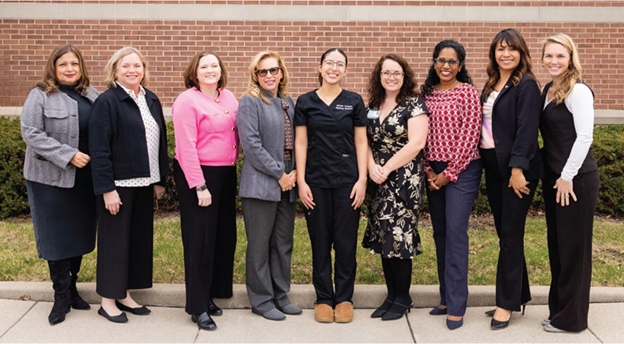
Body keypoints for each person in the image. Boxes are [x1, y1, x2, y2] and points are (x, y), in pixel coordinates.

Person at [89, 47, 169, 323]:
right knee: (115, 243)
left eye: (137, 65)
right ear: (115, 71)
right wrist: (107, 189)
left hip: (145, 184)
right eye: (126, 66)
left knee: (136, 241)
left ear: (144, 70)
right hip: (118, 185)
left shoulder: (151, 99)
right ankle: (107, 300)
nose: (132, 70)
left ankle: (124, 294)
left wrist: (159, 180)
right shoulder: (107, 101)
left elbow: (161, 140)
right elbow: (99, 149)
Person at [21, 44, 99, 325]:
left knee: (78, 235)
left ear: (81, 67)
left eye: (74, 64)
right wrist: (67, 155)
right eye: (63, 64)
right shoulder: (40, 95)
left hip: (85, 180)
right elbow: (30, 132)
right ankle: (61, 295)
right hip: (49, 180)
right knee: (56, 237)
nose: (69, 69)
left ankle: (73, 288)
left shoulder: (91, 95)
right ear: (53, 67)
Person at [294, 48, 368, 323]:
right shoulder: (305, 102)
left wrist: (362, 180)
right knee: (320, 242)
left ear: (346, 71)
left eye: (340, 64)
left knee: (346, 244)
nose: (334, 68)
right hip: (316, 183)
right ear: (320, 67)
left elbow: (361, 142)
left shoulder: (354, 101)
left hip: (348, 182)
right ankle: (324, 298)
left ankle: (345, 298)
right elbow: (301, 143)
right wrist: (301, 181)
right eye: (329, 63)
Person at [479, 29, 543, 330]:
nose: (506, 54)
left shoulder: (527, 84)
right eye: (500, 49)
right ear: (494, 53)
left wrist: (517, 170)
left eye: (512, 49)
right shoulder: (492, 83)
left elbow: (527, 130)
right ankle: (517, 293)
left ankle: (505, 304)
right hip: (494, 167)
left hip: (517, 170)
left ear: (521, 53)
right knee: (506, 234)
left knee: (510, 236)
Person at [171, 51, 238, 331]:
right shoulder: (187, 101)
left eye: (214, 66)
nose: (210, 70)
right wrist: (199, 185)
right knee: (200, 240)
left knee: (222, 237)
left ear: (221, 71)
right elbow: (186, 147)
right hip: (199, 174)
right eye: (204, 66)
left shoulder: (229, 97)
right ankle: (197, 307)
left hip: (226, 172)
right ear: (195, 73)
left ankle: (209, 295)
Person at [421, 40, 482, 330]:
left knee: (456, 233)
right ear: (434, 62)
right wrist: (429, 171)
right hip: (433, 169)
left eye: (453, 61)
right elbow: (419, 135)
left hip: (463, 168)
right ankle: (445, 297)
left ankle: (457, 304)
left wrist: (449, 173)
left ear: (461, 65)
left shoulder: (467, 93)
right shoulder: (426, 94)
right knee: (441, 233)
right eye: (441, 60)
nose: (446, 66)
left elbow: (470, 137)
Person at [362, 54, 429, 321]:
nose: (391, 77)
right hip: (378, 178)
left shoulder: (414, 104)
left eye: (397, 73)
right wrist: (370, 167)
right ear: (379, 76)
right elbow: (364, 140)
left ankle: (403, 297)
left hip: (403, 179)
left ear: (405, 76)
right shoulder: (374, 104)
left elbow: (416, 143)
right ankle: (391, 295)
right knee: (383, 235)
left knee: (399, 236)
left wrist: (386, 168)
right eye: (386, 72)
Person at [540, 33, 599, 333]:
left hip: (576, 181)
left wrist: (567, 176)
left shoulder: (578, 91)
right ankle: (559, 310)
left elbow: (584, 137)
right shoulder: (547, 89)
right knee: (559, 248)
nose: (554, 61)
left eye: (560, 56)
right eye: (549, 56)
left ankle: (572, 320)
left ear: (571, 58)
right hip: (556, 181)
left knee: (575, 251)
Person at [237, 51, 302, 321]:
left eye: (273, 70)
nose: (269, 76)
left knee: (283, 243)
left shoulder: (288, 101)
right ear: (255, 75)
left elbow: (297, 140)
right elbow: (251, 146)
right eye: (263, 72)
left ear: (281, 72)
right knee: (260, 245)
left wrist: (297, 170)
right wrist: (280, 173)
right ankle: (262, 300)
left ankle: (280, 295)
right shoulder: (250, 102)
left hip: (289, 180)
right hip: (262, 183)